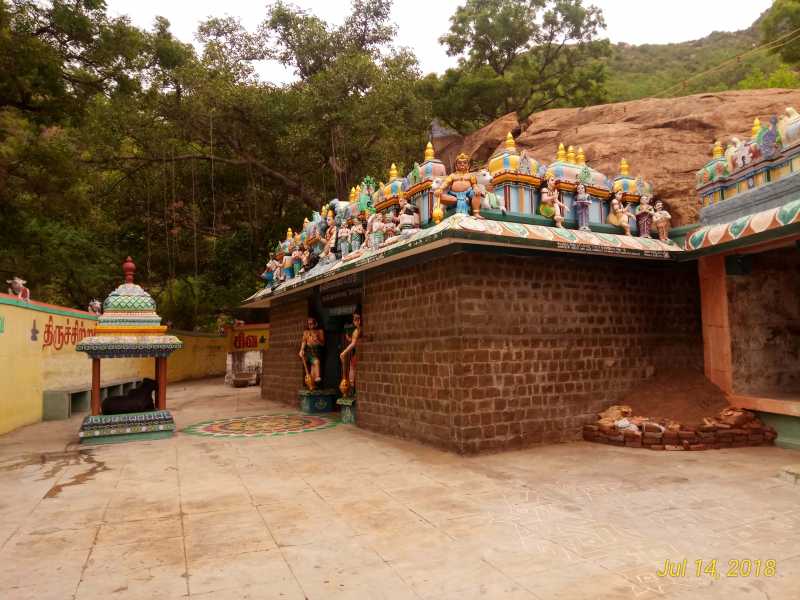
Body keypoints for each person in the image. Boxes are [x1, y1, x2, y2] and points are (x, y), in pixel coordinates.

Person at [437, 153, 482, 217]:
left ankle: (476, 213)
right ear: (456, 166)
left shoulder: (471, 175)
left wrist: (476, 188)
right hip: (454, 196)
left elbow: (474, 184)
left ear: (468, 165)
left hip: (468, 194)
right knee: (440, 197)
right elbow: (446, 183)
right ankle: (460, 201)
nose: (462, 164)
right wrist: (440, 189)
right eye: (459, 163)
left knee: (477, 193)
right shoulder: (452, 175)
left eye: (464, 162)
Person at [299, 317, 325, 390]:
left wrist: (318, 340)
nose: (310, 325)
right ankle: (317, 377)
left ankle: (313, 384)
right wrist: (301, 350)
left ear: (315, 324)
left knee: (313, 368)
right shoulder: (306, 333)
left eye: (312, 324)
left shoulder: (320, 332)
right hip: (309, 352)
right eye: (309, 324)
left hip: (317, 352)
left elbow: (323, 343)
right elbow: (304, 342)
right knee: (316, 362)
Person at [339, 310, 361, 395]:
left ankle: (353, 389)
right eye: (354, 319)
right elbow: (354, 341)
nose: (354, 321)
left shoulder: (357, 330)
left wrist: (344, 352)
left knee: (352, 374)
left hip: (357, 356)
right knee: (351, 374)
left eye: (356, 319)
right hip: (355, 355)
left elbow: (353, 343)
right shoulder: (356, 331)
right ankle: (353, 389)